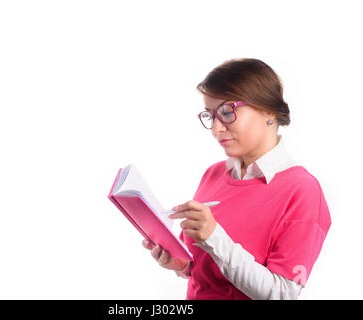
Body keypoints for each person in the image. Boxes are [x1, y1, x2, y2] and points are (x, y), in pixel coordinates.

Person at [142, 58, 331, 300]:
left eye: (227, 112)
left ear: (269, 111)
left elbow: (282, 294)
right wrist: (181, 264)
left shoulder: (302, 190)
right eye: (210, 116)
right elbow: (206, 270)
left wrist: (214, 236)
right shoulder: (214, 174)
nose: (216, 129)